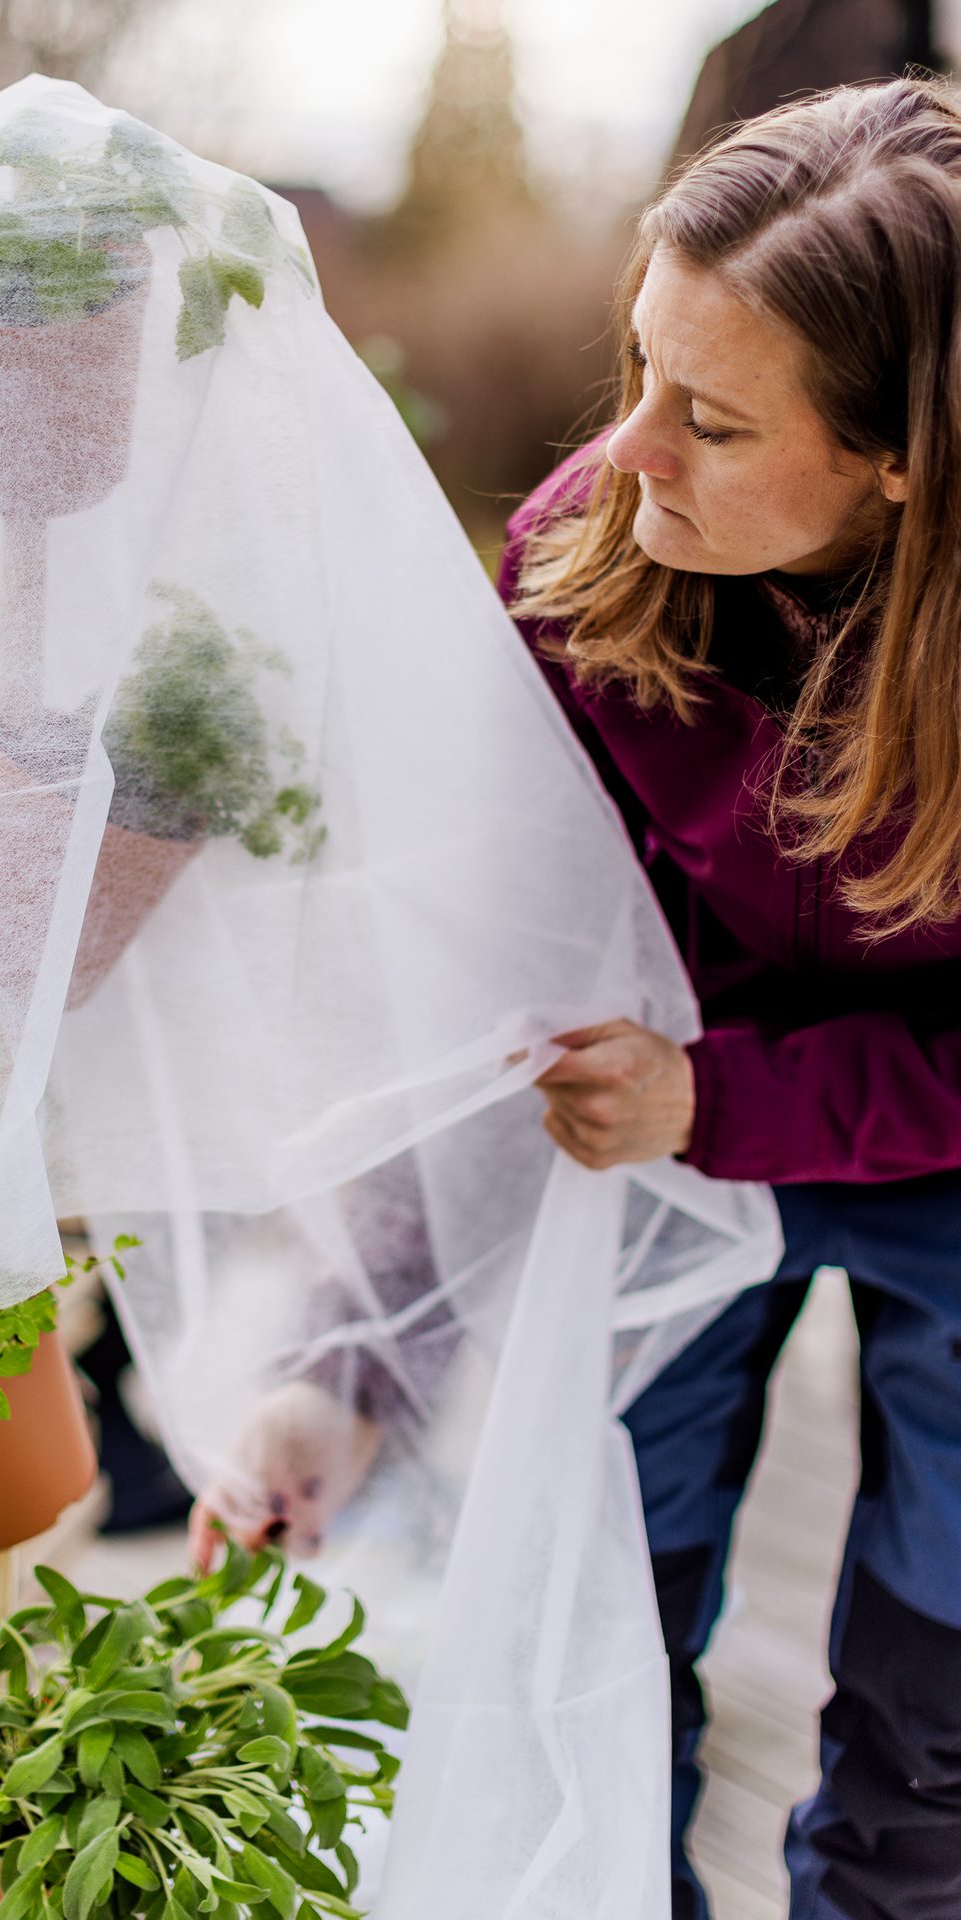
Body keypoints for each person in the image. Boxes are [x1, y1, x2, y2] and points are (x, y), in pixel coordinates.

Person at [194, 75, 961, 1920]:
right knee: (589, 1635)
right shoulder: (585, 557)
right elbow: (492, 975)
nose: (624, 451)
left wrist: (726, 1101)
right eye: (636, 370)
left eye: (705, 418)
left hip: (894, 1136)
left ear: (903, 458)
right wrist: (357, 1355)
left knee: (935, 1734)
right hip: (659, 1146)